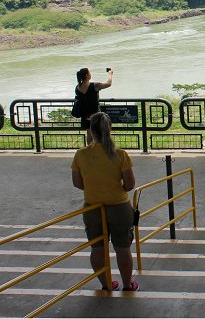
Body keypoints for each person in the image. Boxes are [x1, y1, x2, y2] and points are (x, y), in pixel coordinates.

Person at [71, 112, 138, 292]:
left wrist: (95, 187)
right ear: (110, 130)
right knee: (123, 248)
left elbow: (78, 183)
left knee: (97, 249)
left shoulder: (81, 154)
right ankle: (127, 284)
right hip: (119, 207)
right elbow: (130, 184)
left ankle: (106, 284)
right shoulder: (120, 154)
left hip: (92, 208)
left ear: (91, 131)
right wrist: (115, 189)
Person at [75, 68, 113, 144]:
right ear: (87, 75)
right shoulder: (95, 85)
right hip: (96, 114)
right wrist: (110, 74)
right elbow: (109, 84)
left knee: (89, 133)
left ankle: (90, 150)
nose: (90, 74)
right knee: (99, 133)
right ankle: (99, 149)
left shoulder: (78, 87)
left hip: (85, 115)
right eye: (89, 73)